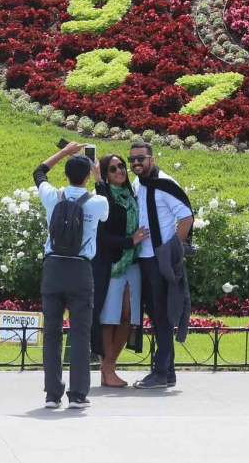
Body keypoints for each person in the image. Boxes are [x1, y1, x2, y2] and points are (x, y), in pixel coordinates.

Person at [33, 141, 109, 410]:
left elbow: (39, 172)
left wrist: (64, 152)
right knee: (80, 333)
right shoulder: (97, 201)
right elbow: (105, 215)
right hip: (80, 269)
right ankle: (77, 395)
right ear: (89, 175)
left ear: (65, 174)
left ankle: (52, 395)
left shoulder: (53, 196)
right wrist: (99, 180)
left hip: (53, 267)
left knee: (52, 332)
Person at [127, 140, 193, 390]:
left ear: (152, 159)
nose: (136, 163)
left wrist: (173, 248)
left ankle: (159, 372)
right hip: (143, 257)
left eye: (141, 158)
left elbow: (187, 216)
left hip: (160, 259)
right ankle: (168, 372)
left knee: (163, 316)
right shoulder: (138, 183)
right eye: (132, 159)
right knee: (156, 315)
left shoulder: (165, 184)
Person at [92, 152, 142, 389]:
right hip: (111, 265)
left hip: (132, 263)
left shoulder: (132, 196)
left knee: (128, 316)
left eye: (122, 166)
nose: (120, 170)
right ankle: (107, 368)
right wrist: (129, 241)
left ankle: (109, 366)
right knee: (109, 318)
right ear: (106, 175)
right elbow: (102, 237)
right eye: (113, 169)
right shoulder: (104, 198)